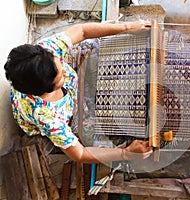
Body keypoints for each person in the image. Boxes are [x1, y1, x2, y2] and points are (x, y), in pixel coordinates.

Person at [4, 20, 153, 163]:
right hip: (67, 113)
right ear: (47, 90)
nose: (64, 71)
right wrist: (126, 153)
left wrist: (128, 27)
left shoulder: (43, 55)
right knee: (97, 135)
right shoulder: (49, 118)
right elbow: (80, 153)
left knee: (89, 44)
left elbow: (82, 31)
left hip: (54, 87)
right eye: (60, 76)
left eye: (61, 66)